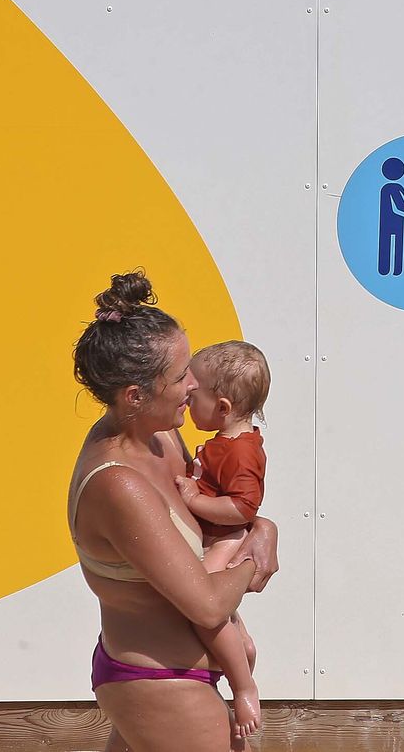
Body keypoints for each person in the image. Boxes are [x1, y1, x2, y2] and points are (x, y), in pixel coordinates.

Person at [69, 272, 280, 752]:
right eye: (181, 375)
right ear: (135, 395)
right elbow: (205, 603)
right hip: (157, 680)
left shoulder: (162, 435)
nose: (193, 385)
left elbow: (211, 519)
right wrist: (253, 558)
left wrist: (262, 527)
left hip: (172, 672)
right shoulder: (118, 482)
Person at [174, 341, 271, 740]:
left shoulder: (240, 452)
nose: (186, 399)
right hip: (217, 538)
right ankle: (243, 646)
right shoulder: (226, 443)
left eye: (194, 396)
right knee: (219, 616)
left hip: (226, 540)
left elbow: (244, 508)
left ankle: (244, 687)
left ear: (224, 407)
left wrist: (194, 499)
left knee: (205, 611)